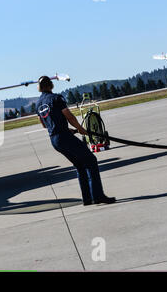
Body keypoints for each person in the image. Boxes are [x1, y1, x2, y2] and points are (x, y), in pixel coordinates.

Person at [35, 76, 115, 205]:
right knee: (91, 161)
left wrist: (64, 129)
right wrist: (80, 128)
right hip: (64, 137)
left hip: (55, 140)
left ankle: (87, 198)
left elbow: (44, 124)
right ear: (50, 85)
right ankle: (98, 195)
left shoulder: (38, 104)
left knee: (80, 165)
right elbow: (69, 116)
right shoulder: (56, 98)